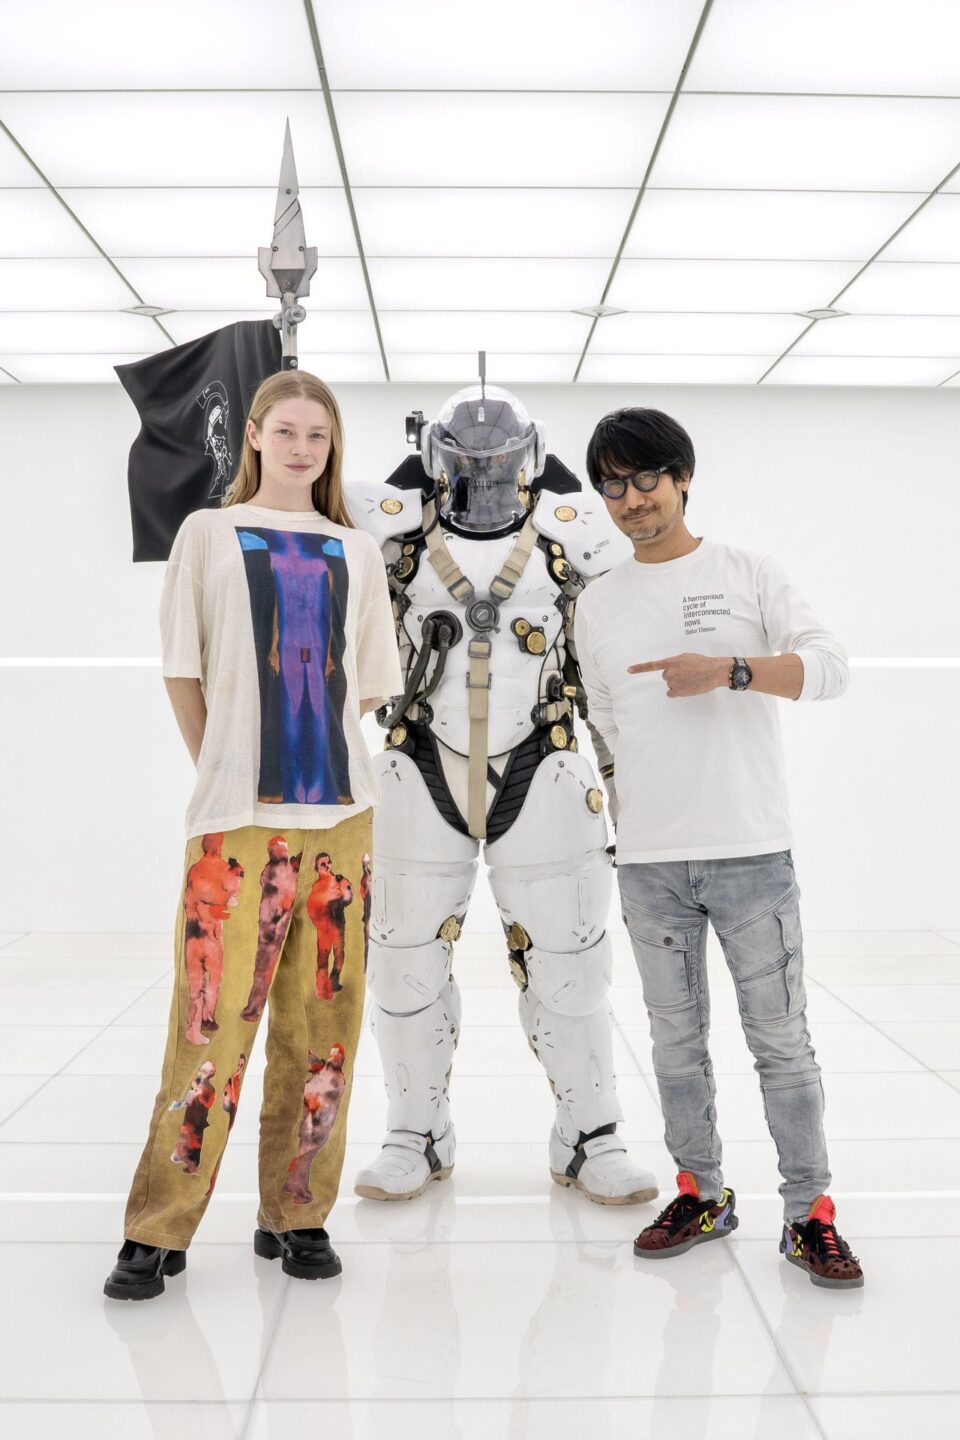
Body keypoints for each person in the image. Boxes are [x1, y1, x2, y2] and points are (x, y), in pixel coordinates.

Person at [104, 371, 402, 1301]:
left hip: (342, 822)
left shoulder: (357, 549)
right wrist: (223, 769)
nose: (302, 447)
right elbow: (182, 669)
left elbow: (365, 684)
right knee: (208, 1030)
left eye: (319, 434)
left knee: (324, 1033)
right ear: (257, 437)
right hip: (235, 826)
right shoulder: (206, 534)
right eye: (287, 430)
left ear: (332, 446)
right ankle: (158, 1228)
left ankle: (296, 1213)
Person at [347, 383, 658, 1207]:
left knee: (571, 963)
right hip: (420, 759)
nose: (483, 475)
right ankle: (416, 1130)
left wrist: (629, 788)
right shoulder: (387, 531)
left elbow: (610, 667)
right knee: (402, 962)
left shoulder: (576, 534)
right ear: (437, 458)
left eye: (498, 460)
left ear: (527, 458)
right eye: (469, 460)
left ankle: (590, 1135)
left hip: (542, 758)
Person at [575, 407, 863, 1290]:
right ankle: (701, 1194)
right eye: (613, 485)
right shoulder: (597, 601)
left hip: (750, 853)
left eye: (647, 479)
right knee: (674, 1045)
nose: (632, 500)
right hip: (650, 864)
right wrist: (629, 816)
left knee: (781, 1043)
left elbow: (831, 668)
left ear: (683, 478)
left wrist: (731, 672)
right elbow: (605, 722)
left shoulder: (748, 571)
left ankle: (809, 1213)